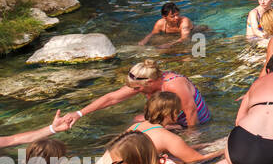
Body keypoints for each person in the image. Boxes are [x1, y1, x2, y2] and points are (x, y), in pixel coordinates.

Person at [80, 93, 223, 164]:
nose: (180, 114)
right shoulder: (166, 137)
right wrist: (223, 151)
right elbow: (196, 159)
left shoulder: (136, 127)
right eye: (178, 111)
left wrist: (204, 145)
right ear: (169, 114)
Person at [53, 59, 212, 130]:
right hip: (172, 118)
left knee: (141, 127)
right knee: (137, 121)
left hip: (196, 121)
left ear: (149, 82)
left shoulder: (173, 84)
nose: (135, 91)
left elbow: (191, 111)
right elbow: (112, 97)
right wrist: (79, 113)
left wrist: (192, 136)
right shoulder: (141, 83)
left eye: (137, 89)